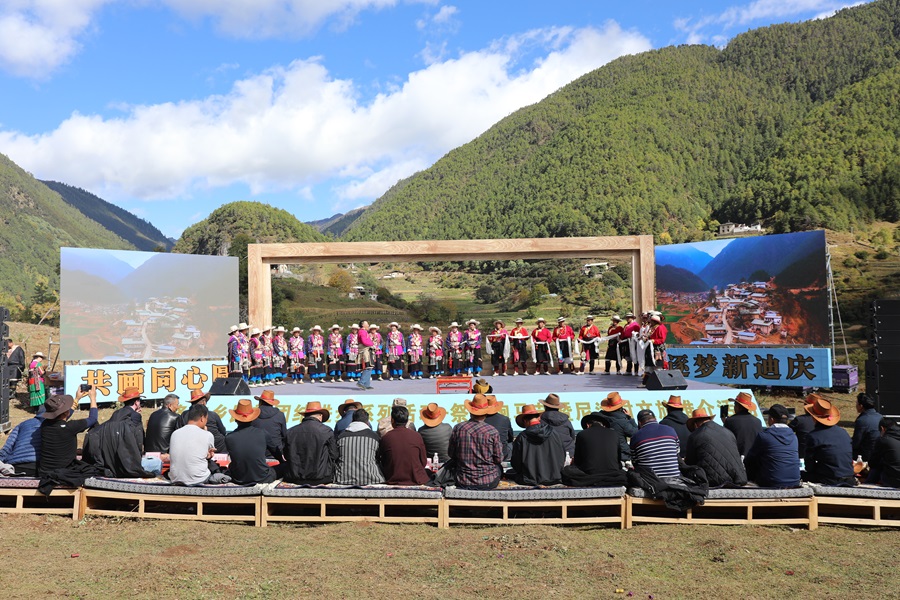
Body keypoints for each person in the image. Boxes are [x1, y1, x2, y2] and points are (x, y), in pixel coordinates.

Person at [447, 394, 504, 490]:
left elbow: (451, 454)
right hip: (488, 481)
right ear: (486, 413)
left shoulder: (458, 428)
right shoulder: (492, 431)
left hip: (463, 480)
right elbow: (498, 459)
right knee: (499, 468)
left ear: (470, 412)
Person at [39, 388, 98, 476]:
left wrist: (77, 399)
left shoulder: (45, 425)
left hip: (44, 472)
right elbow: (93, 419)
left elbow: (62, 416)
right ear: (66, 412)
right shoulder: (71, 427)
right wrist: (93, 398)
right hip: (65, 472)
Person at [684, 409, 747, 488]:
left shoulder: (695, 435)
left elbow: (690, 463)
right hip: (738, 479)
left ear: (695, 424)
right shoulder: (728, 432)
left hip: (713, 481)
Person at [561, 411, 627, 487]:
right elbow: (618, 459)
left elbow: (578, 461)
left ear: (587, 425)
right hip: (613, 474)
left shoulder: (582, 434)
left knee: (567, 471)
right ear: (603, 425)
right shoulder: (614, 434)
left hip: (590, 474)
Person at [168, 403, 228, 485]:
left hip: (175, 478)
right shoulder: (207, 435)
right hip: (198, 479)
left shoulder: (175, 433)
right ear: (202, 418)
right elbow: (206, 456)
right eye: (206, 419)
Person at [743, 404, 801, 488]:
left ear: (771, 419)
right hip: (794, 481)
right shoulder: (794, 436)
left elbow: (750, 460)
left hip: (772, 482)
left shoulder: (764, 436)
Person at [802, 394, 855, 486]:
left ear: (814, 417)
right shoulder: (843, 432)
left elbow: (809, 465)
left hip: (829, 478)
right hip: (849, 476)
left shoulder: (813, 436)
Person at [284, 401, 338, 485]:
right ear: (320, 416)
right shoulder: (327, 431)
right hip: (321, 478)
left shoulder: (290, 431)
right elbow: (334, 455)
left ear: (305, 415)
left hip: (295, 478)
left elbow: (286, 455)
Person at [510, 404, 565, 486]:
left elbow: (516, 463)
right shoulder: (554, 433)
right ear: (539, 418)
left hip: (529, 480)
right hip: (554, 478)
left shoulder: (522, 437)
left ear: (525, 421)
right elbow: (562, 455)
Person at [224, 399, 276, 484]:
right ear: (253, 419)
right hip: (262, 477)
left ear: (236, 419)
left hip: (239, 478)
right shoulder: (262, 433)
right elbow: (275, 451)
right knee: (282, 467)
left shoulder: (229, 437)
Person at [378, 406, 429, 485]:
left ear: (392, 420)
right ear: (407, 420)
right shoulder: (416, 436)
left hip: (393, 478)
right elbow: (423, 461)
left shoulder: (386, 437)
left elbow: (384, 462)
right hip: (416, 479)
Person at [334, 409, 384, 485]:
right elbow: (378, 458)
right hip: (372, 479)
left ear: (352, 420)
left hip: (343, 479)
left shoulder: (341, 437)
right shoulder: (374, 437)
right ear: (367, 422)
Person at [630, 409, 681, 479]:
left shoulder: (635, 437)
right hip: (675, 478)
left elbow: (635, 461)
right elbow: (677, 452)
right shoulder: (671, 430)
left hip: (651, 481)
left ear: (639, 423)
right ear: (655, 419)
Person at [0, 406, 45, 476]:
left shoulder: (23, 424)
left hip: (16, 465)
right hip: (41, 467)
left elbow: (7, 447)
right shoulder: (56, 426)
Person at [600, 392, 638, 461]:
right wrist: (630, 418)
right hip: (621, 455)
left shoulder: (600, 418)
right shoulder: (622, 422)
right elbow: (636, 433)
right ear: (621, 408)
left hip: (604, 454)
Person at [251, 389, 288, 462]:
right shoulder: (280, 415)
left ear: (260, 401)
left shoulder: (253, 414)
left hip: (257, 454)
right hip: (276, 454)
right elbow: (284, 435)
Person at [723, 392, 763, 456]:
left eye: (735, 405)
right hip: (754, 457)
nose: (734, 407)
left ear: (738, 406)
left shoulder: (730, 421)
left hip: (737, 456)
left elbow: (726, 441)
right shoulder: (758, 421)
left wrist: (725, 423)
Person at [867, 417, 900, 487]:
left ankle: (868, 484)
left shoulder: (883, 440)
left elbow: (873, 462)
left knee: (877, 467)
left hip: (895, 480)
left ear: (882, 429)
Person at [852, 393, 882, 462]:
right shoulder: (880, 417)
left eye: (857, 403)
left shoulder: (862, 420)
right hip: (879, 452)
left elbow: (855, 443)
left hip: (867, 455)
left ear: (861, 406)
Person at [484, 396, 515, 462]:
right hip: (502, 454)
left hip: (484, 454)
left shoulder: (479, 421)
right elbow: (510, 437)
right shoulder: (504, 419)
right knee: (510, 444)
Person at [357, 320, 376, 390]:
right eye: (367, 324)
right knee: (368, 367)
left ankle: (367, 384)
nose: (368, 325)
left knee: (369, 367)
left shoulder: (364, 332)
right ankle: (361, 382)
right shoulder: (362, 332)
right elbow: (364, 341)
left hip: (367, 350)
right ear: (363, 325)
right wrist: (372, 344)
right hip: (365, 351)